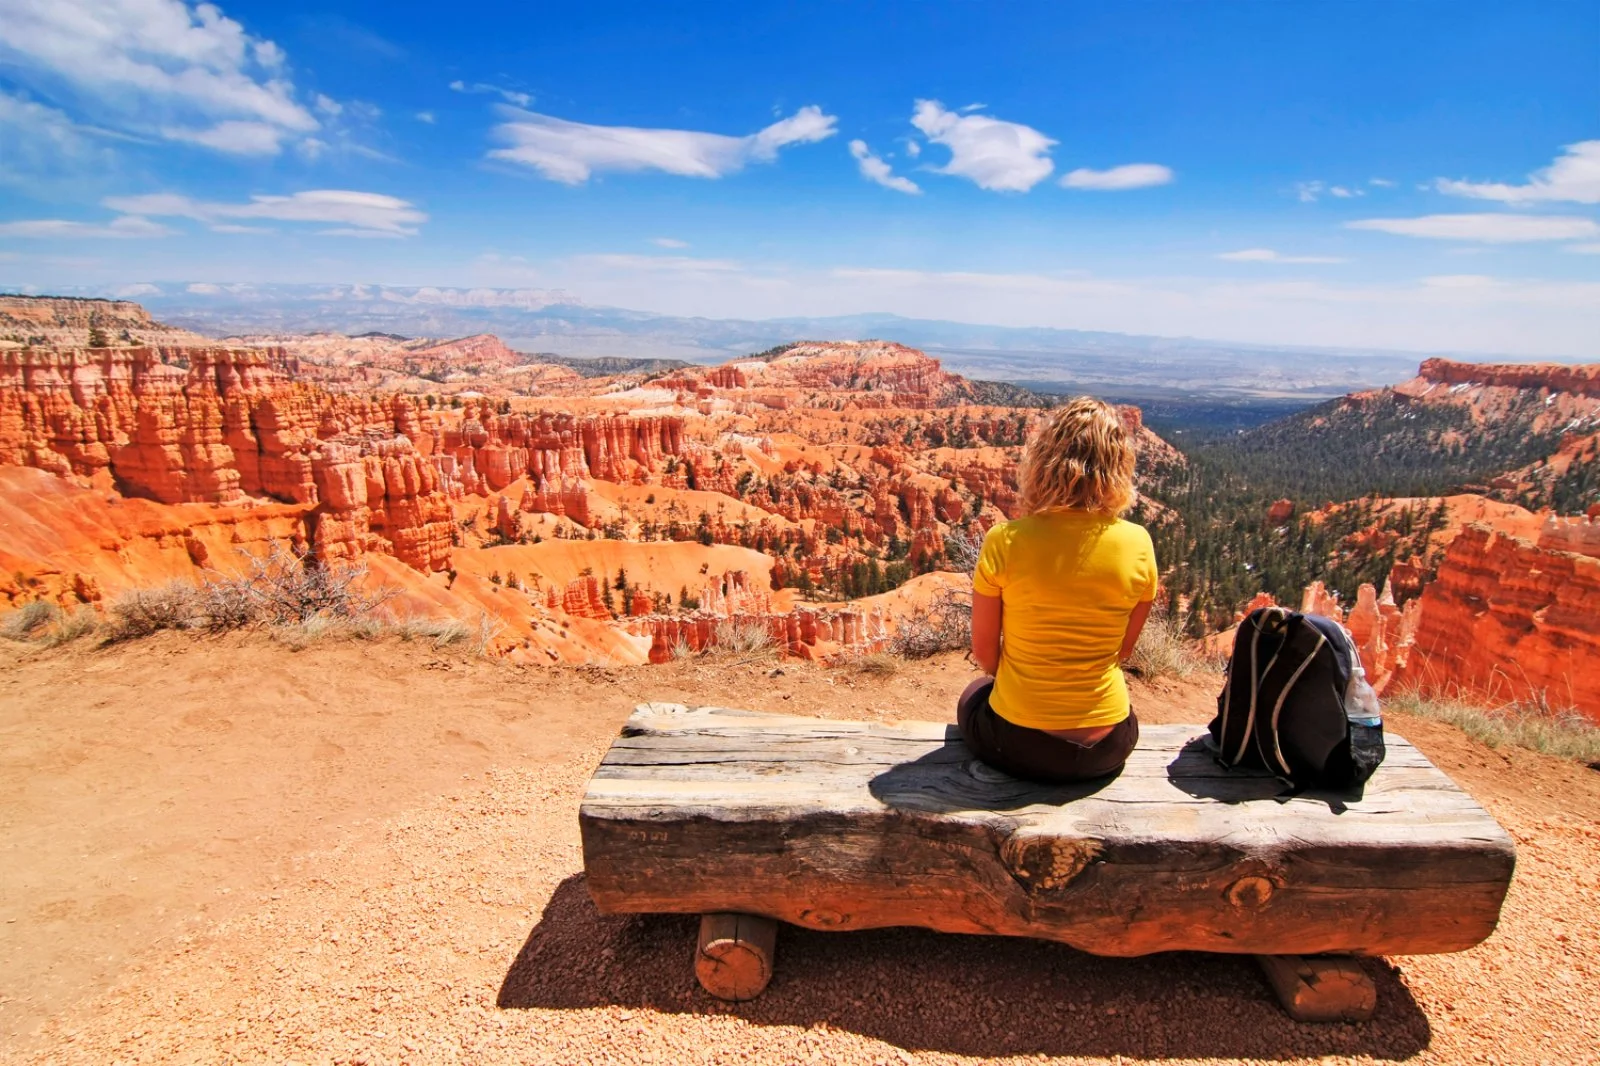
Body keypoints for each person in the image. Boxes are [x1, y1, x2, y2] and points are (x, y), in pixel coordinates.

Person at [958, 397, 1158, 783]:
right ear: (1120, 467)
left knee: (973, 694)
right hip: (1109, 743)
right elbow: (1123, 651)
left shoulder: (1005, 540)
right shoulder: (1138, 543)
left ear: (1043, 463)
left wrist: (1028, 683)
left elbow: (985, 654)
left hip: (1020, 742)